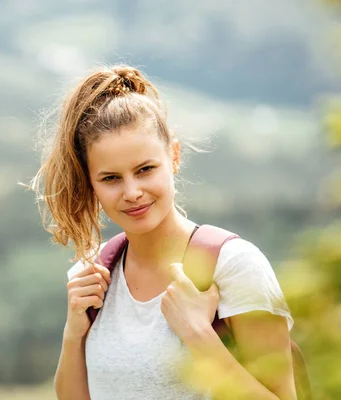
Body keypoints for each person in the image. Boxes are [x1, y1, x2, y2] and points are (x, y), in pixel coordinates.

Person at [29, 64, 297, 400]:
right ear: (90, 182)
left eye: (145, 170)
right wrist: (73, 333)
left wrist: (199, 334)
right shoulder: (94, 276)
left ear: (173, 156)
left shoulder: (234, 266)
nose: (132, 192)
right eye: (110, 178)